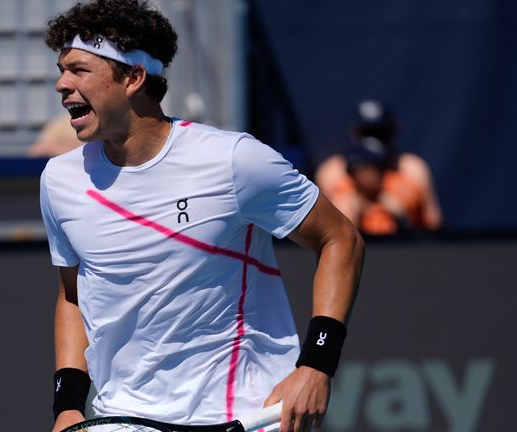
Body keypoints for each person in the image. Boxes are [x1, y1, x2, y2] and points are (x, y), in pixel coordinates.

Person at [39, 1, 364, 431]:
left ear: (134, 78)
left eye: (79, 70)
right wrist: (67, 404)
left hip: (243, 416)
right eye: (62, 70)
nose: (61, 84)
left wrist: (317, 364)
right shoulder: (60, 180)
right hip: (125, 417)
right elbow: (73, 294)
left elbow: (340, 238)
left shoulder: (235, 161)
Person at [315, 100, 443, 234]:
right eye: (367, 132)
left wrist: (402, 217)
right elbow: (322, 232)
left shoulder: (413, 169)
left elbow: (434, 225)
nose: (373, 141)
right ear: (355, 132)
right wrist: (355, 210)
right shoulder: (332, 172)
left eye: (380, 133)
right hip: (352, 240)